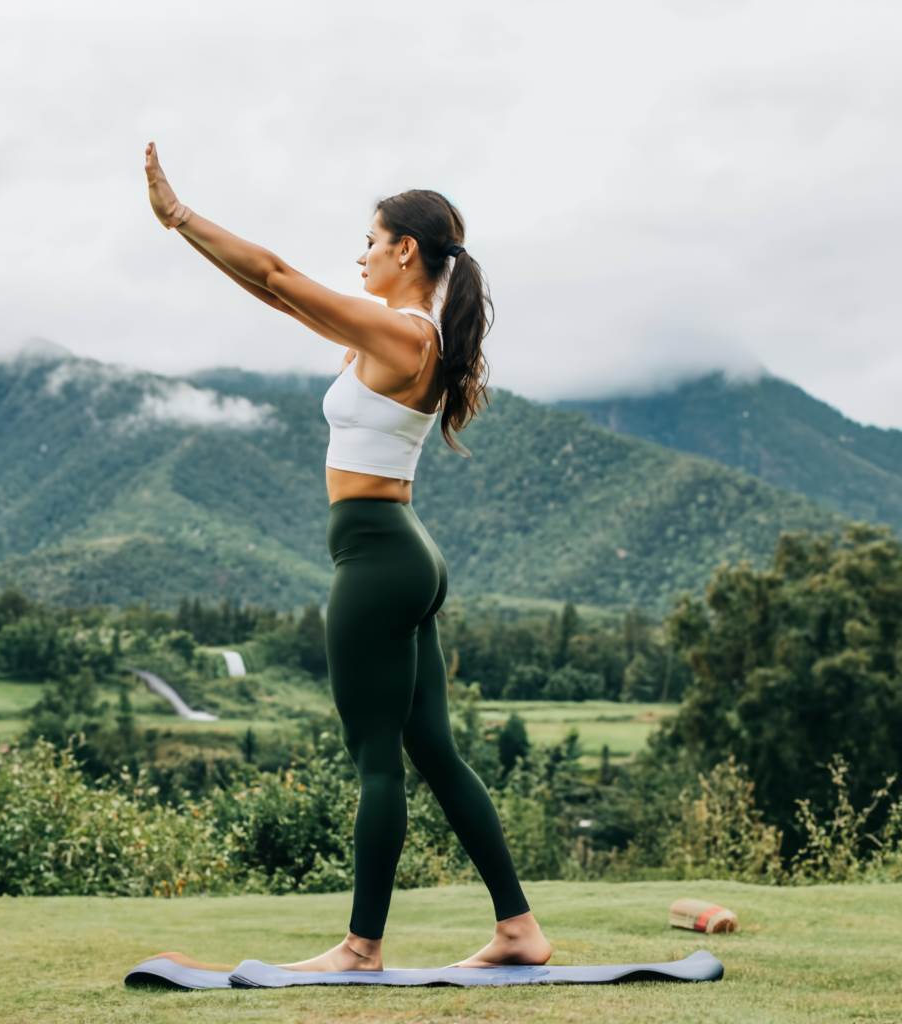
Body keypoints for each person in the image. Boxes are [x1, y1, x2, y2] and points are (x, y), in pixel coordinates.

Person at [145, 141, 553, 972]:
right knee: (432, 750)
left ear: (406, 250)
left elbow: (279, 273)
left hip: (377, 559)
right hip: (404, 555)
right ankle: (519, 930)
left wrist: (180, 215)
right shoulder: (414, 334)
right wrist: (193, 241)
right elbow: (276, 293)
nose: (359, 254)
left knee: (378, 758)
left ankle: (362, 947)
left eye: (369, 240)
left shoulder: (403, 334)